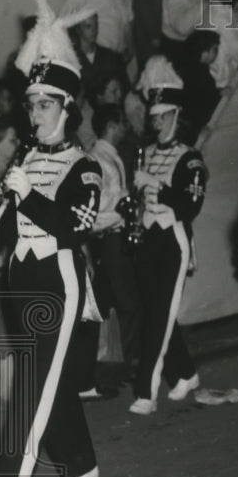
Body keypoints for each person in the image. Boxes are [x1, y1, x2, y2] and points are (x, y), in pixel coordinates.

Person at [0, 0, 101, 477]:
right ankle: (80, 464)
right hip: (21, 275)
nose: (34, 113)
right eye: (31, 105)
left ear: (67, 109)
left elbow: (76, 227)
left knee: (32, 383)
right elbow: (17, 220)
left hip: (59, 277)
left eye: (45, 105)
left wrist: (26, 195)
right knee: (47, 375)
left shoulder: (85, 165)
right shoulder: (27, 158)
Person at [127, 56, 208, 415]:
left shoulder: (189, 158)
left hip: (172, 239)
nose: (156, 122)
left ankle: (146, 391)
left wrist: (157, 187)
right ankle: (186, 374)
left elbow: (190, 206)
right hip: (147, 238)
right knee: (156, 312)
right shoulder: (144, 154)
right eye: (153, 116)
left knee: (159, 315)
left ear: (176, 115)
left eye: (162, 116)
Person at [87, 103, 142, 380]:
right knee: (127, 303)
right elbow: (96, 206)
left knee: (115, 301)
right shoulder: (98, 159)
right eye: (121, 123)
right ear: (110, 126)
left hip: (115, 235)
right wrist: (124, 202)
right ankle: (125, 365)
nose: (125, 128)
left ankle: (111, 363)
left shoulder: (110, 157)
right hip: (110, 237)